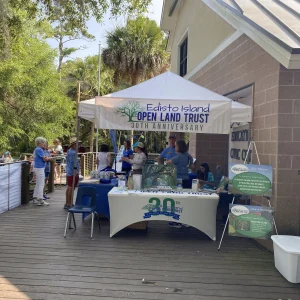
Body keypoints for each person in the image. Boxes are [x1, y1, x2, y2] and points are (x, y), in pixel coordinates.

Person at [32, 137, 52, 206]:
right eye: (43, 143)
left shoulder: (36, 149)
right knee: (41, 184)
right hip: (40, 168)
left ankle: (35, 197)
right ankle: (40, 199)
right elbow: (45, 159)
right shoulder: (39, 149)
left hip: (37, 168)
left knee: (38, 183)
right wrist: (51, 158)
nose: (44, 144)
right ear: (39, 143)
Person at [65, 138, 81, 210]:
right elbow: (72, 163)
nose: (79, 145)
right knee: (71, 188)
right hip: (72, 172)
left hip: (70, 171)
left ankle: (68, 203)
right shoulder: (73, 153)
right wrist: (76, 172)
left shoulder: (70, 151)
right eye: (77, 144)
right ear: (73, 144)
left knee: (69, 187)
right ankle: (69, 203)